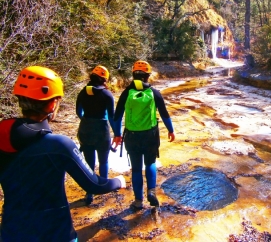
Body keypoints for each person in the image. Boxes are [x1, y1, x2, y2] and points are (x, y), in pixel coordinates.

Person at [0, 66, 126, 242]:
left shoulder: (3, 135)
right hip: (56, 232)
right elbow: (94, 184)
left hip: (11, 231)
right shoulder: (59, 145)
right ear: (52, 104)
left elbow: (79, 112)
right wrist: (118, 181)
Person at [112, 60, 175, 209]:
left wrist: (117, 134)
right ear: (148, 75)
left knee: (136, 168)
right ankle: (151, 192)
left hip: (132, 136)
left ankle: (138, 200)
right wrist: (171, 130)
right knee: (150, 163)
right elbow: (165, 114)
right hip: (150, 136)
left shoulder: (126, 93)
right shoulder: (154, 93)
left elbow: (117, 117)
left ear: (133, 74)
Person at [76, 65, 117, 205]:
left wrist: (86, 121)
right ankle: (104, 186)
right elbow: (112, 117)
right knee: (104, 160)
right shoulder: (107, 95)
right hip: (101, 130)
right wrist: (117, 133)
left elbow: (78, 112)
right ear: (104, 79)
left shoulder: (83, 92)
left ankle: (90, 192)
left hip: (85, 129)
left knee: (89, 162)